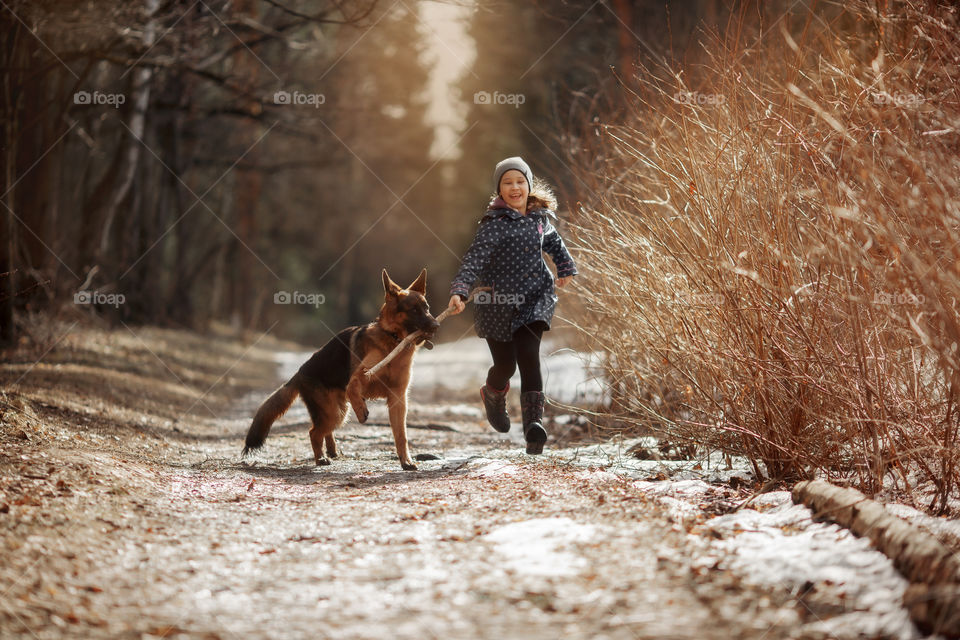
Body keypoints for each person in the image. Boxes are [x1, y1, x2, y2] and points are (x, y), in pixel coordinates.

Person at [446, 156, 577, 454]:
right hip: (497, 304)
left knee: (529, 355)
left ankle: (534, 426)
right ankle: (493, 393)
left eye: (520, 181)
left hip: (535, 298)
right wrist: (460, 290)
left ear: (529, 185)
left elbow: (555, 243)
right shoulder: (493, 224)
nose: (515, 187)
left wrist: (565, 266)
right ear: (499, 190)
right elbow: (473, 260)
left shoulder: (541, 219)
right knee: (505, 364)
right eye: (507, 182)